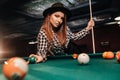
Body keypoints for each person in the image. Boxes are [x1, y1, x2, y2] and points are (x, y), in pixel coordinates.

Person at [29, 2, 95, 63]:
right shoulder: (43, 33)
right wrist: (39, 57)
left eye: (62, 18)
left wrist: (88, 28)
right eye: (56, 16)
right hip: (57, 60)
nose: (59, 20)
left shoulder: (65, 29)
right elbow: (42, 53)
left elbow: (75, 37)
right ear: (49, 16)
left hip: (72, 53)